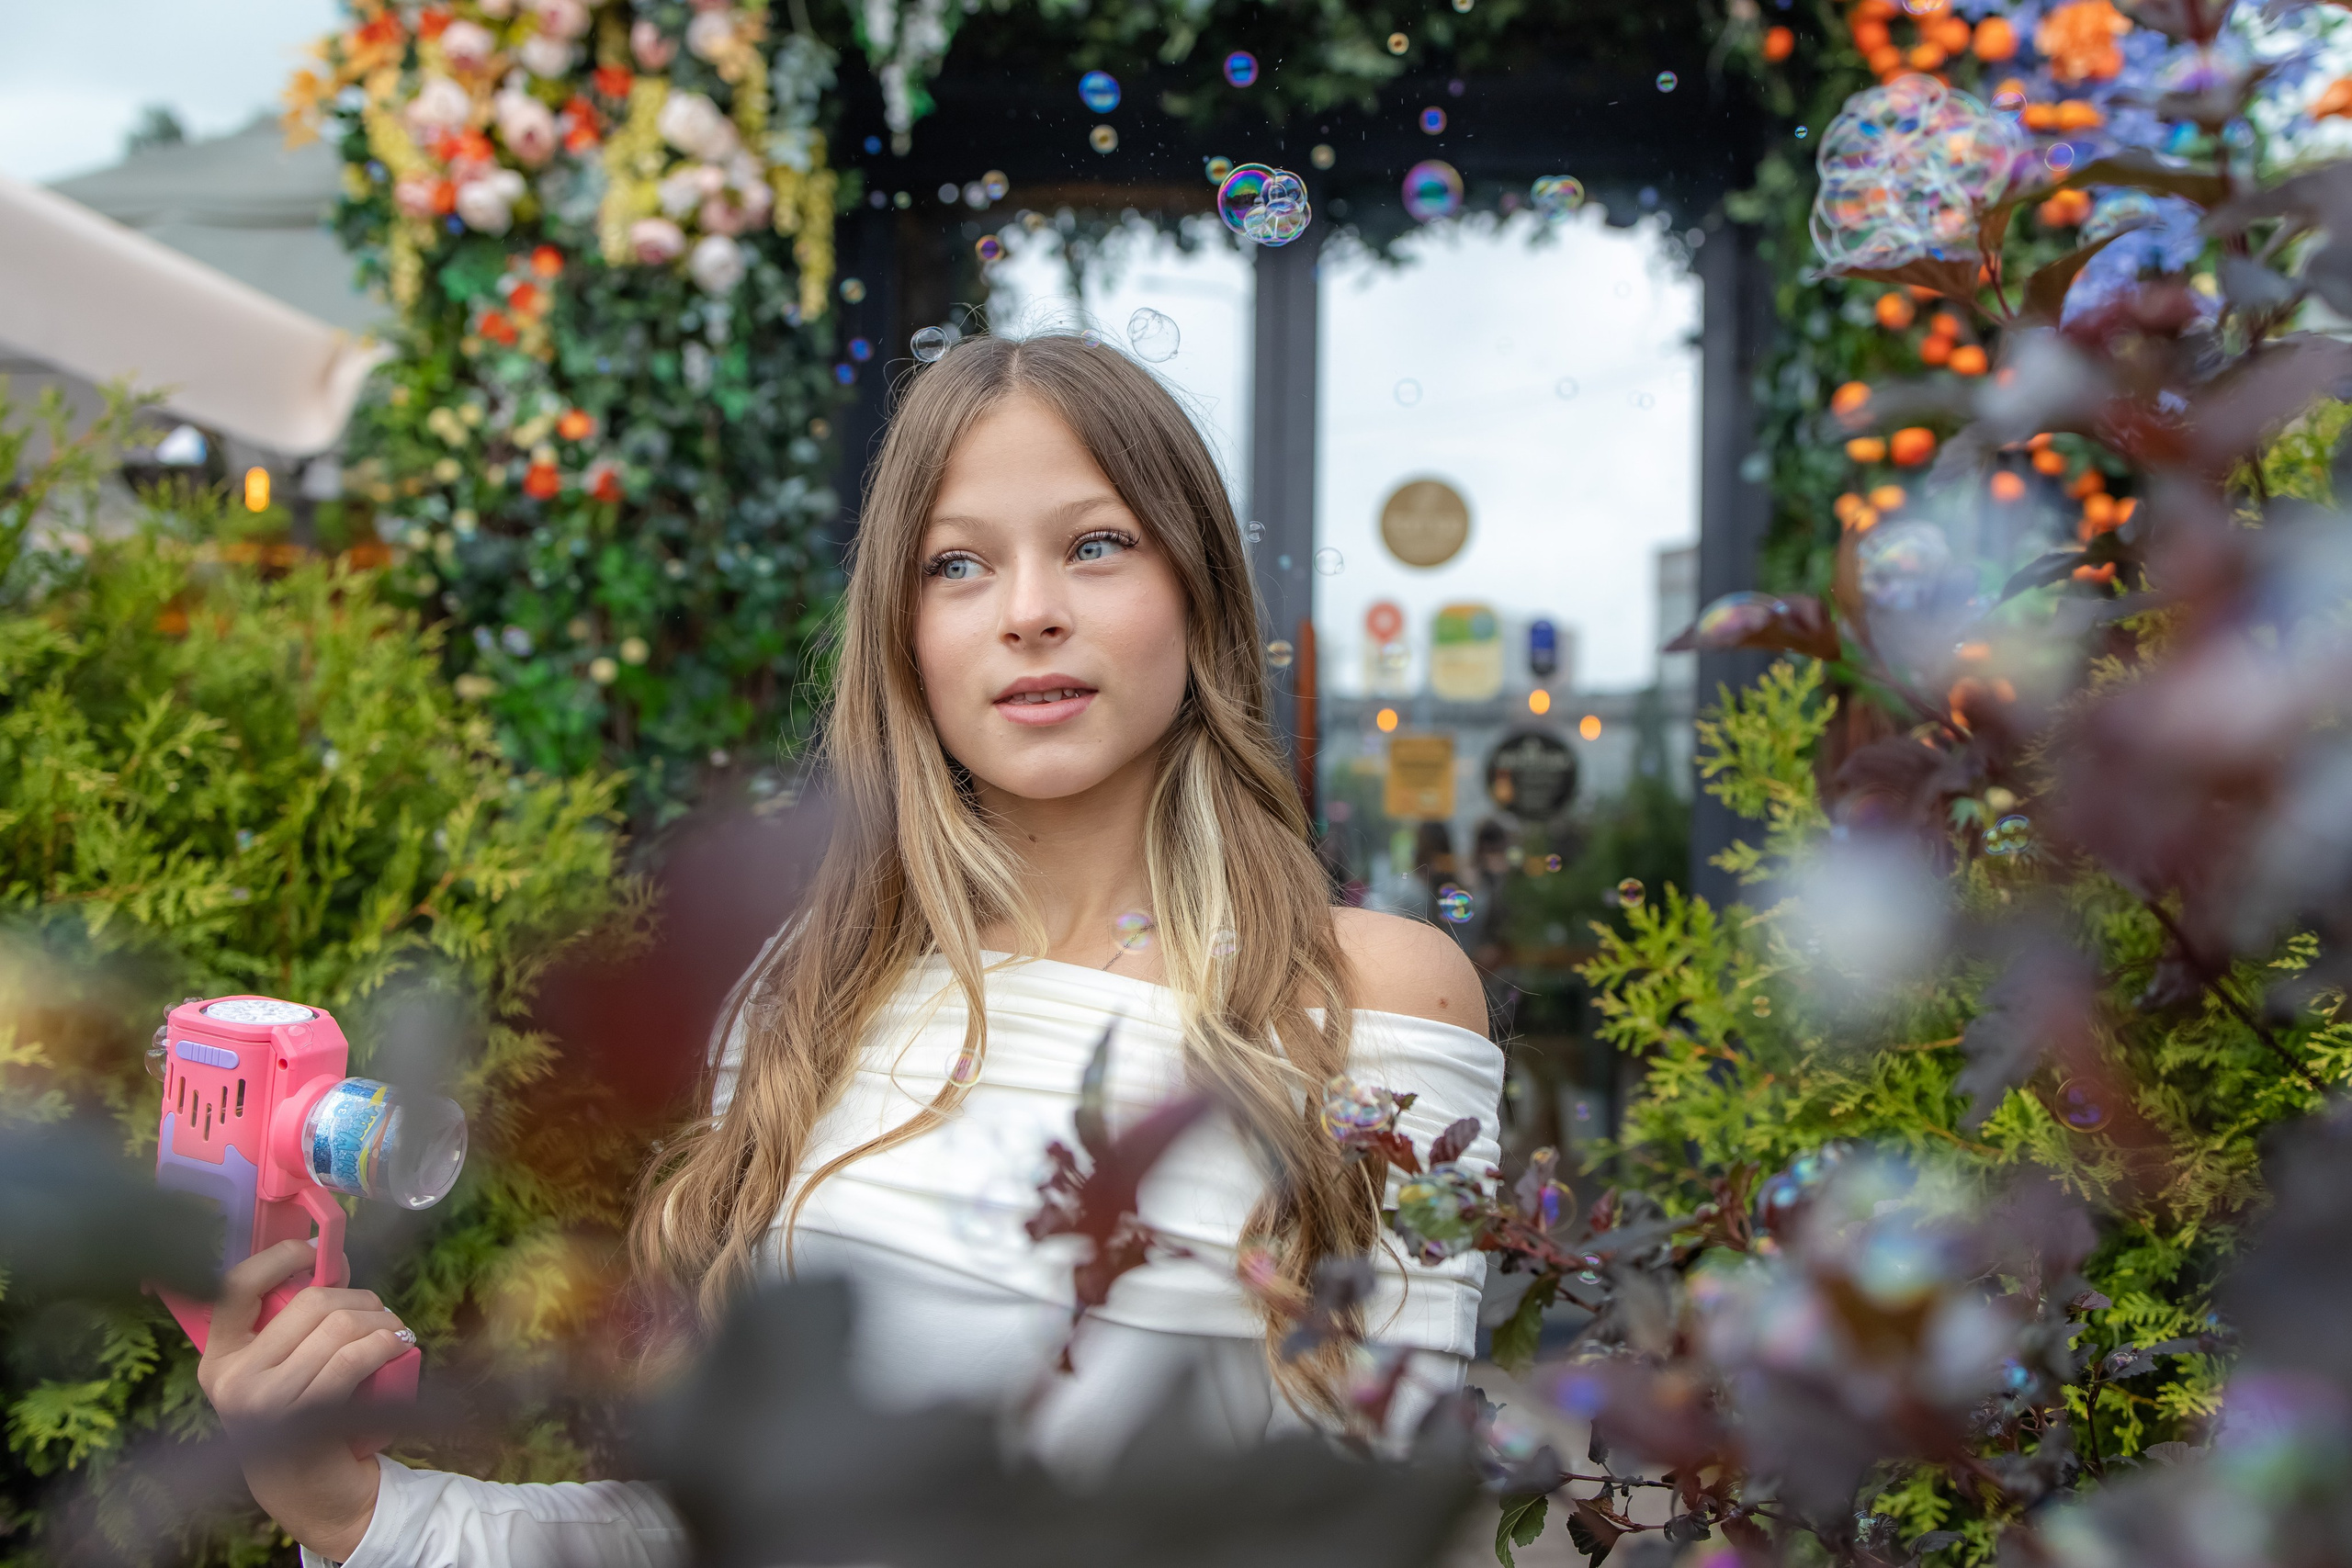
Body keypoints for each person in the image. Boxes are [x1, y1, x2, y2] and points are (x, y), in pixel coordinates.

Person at [194, 333, 1504, 1568]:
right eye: (957, 564)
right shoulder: (810, 995)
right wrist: (356, 1513)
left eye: (1098, 544)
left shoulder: (1367, 996)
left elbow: (1386, 1524)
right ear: (904, 637)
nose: (1029, 611)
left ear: (1199, 594)